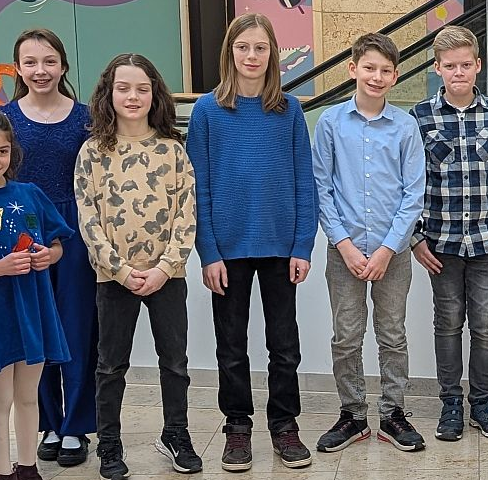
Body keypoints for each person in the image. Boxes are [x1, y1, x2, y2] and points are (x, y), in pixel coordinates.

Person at [185, 13, 317, 472]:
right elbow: (197, 188)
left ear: (272, 54)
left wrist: (302, 246)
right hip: (227, 250)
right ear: (230, 52)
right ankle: (237, 427)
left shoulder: (289, 110)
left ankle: (284, 426)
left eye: (261, 47)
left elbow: (304, 182)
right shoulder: (207, 111)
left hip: (281, 246)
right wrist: (208, 252)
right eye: (243, 47)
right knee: (231, 346)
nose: (252, 55)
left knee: (284, 346)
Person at [74, 53, 201, 478]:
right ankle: (109, 443)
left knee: (175, 362)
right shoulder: (93, 152)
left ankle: (176, 433)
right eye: (124, 88)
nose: (133, 96)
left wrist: (164, 268)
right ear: (108, 94)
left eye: (142, 89)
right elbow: (88, 219)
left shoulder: (173, 151)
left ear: (155, 95)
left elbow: (186, 215)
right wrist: (121, 270)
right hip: (113, 278)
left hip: (168, 276)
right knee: (110, 366)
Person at [312, 32, 429, 454]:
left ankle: (394, 413)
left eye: (385, 70)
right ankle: (353, 414)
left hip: (392, 253)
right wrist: (344, 244)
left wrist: (386, 249)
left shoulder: (405, 126)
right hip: (343, 251)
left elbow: (413, 194)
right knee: (346, 336)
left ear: (395, 76)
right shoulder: (330, 123)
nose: (376, 77)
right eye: (369, 68)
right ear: (353, 69)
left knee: (392, 335)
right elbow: (321, 188)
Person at [410, 24, 488, 443]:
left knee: (486, 325)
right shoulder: (420, 117)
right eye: (449, 66)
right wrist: (415, 238)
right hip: (439, 244)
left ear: (477, 65)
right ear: (437, 68)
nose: (457, 72)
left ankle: (483, 404)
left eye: (465, 65)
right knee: (447, 323)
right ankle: (451, 405)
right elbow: (410, 182)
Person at [0, 28, 96, 466]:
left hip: (75, 229)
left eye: (49, 61)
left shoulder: (87, 118)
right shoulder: (3, 119)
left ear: (63, 65)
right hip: (23, 230)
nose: (41, 70)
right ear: (18, 69)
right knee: (33, 328)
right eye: (31, 62)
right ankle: (48, 422)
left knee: (77, 327)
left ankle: (76, 425)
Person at [0, 108, 73, 480]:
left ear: (12, 151)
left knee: (28, 396)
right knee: (0, 399)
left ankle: (28, 469)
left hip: (36, 308)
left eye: (2, 151)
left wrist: (48, 256)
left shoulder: (30, 194)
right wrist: (0, 267)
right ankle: (2, 473)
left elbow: (57, 245)